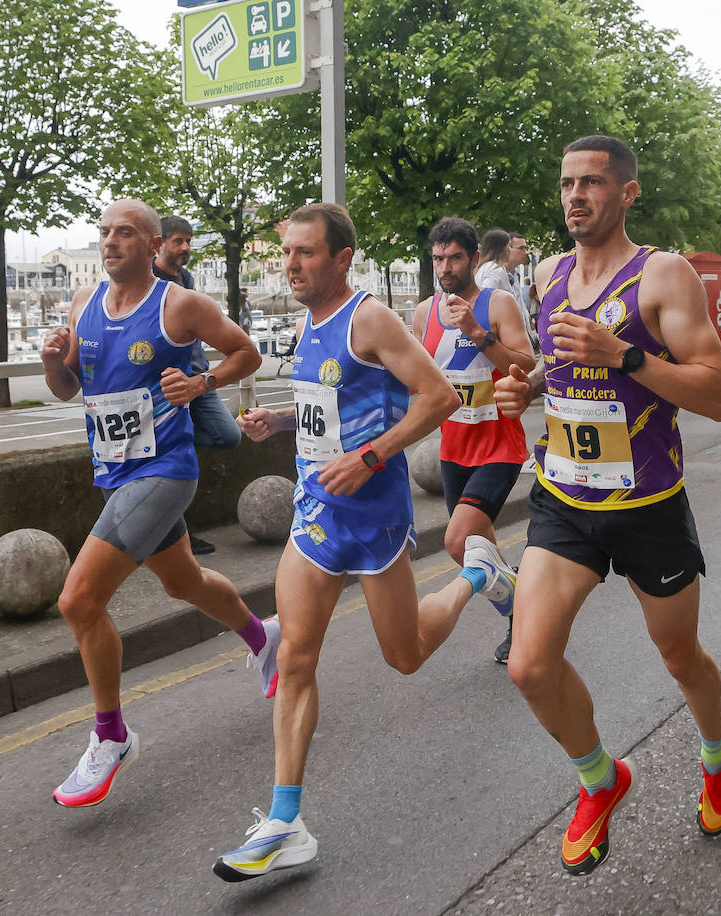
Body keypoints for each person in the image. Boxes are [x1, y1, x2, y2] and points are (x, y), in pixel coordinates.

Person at [215, 203, 516, 882]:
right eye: (286, 253)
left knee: (405, 655)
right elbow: (333, 403)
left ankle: (476, 576)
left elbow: (436, 396)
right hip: (316, 514)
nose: (291, 265)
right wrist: (283, 421)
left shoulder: (370, 318)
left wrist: (373, 458)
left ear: (342, 258)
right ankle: (284, 822)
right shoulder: (305, 323)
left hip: (374, 517)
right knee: (294, 656)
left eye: (306, 254)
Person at [493, 135, 721, 876]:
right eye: (567, 183)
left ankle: (716, 752)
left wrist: (626, 355)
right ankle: (603, 780)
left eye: (592, 183)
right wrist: (528, 385)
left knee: (679, 657)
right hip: (565, 498)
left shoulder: (662, 275)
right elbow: (558, 359)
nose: (576, 195)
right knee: (530, 666)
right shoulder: (547, 274)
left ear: (626, 193)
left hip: (649, 505)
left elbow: (719, 395)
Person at [40, 199, 278, 808]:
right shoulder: (83, 304)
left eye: (125, 233)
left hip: (167, 470)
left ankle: (111, 735)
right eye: (104, 233)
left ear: (153, 246)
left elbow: (247, 352)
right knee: (184, 582)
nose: (111, 242)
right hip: (116, 473)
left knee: (79, 599)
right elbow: (69, 388)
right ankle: (262, 637)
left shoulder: (179, 305)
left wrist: (203, 383)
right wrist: (50, 364)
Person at [415, 216, 537, 664]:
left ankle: (518, 613)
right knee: (478, 547)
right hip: (453, 449)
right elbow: (418, 381)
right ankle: (522, 613)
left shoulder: (497, 303)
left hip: (499, 446)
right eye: (438, 258)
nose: (445, 267)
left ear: (475, 258)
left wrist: (478, 334)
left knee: (456, 542)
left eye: (454, 258)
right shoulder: (424, 313)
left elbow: (523, 368)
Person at [154, 214, 241, 555]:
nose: (186, 247)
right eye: (178, 241)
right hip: (167, 387)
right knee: (176, 459)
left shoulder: (186, 279)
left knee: (228, 435)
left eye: (188, 240)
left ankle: (177, 441)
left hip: (198, 378)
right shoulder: (147, 280)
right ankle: (179, 536)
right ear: (159, 243)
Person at [475, 229, 516, 293]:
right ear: (502, 248)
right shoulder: (495, 270)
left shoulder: (484, 267)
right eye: (509, 245)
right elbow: (487, 293)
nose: (511, 250)